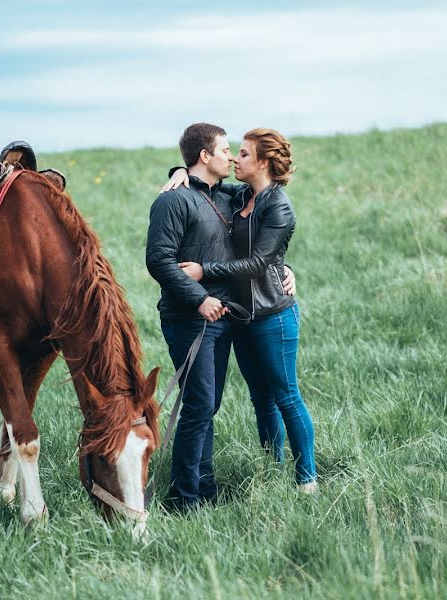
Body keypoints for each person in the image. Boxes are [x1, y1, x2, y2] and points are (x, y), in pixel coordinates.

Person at [164, 128, 317, 492]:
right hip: (242, 317)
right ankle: (272, 467)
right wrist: (178, 170)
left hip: (273, 315)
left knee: (286, 396)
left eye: (244, 154)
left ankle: (307, 479)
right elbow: (205, 188)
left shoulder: (279, 206)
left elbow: (259, 262)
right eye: (234, 152)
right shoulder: (240, 194)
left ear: (263, 162)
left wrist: (205, 271)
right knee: (260, 399)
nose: (235, 159)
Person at [145, 122, 238, 512]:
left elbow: (267, 191)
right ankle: (184, 499)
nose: (231, 156)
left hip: (225, 319)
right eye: (225, 150)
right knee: (199, 403)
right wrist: (199, 298)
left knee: (208, 404)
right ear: (205, 155)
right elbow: (159, 260)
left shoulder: (230, 196)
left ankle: (205, 488)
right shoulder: (173, 201)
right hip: (189, 318)